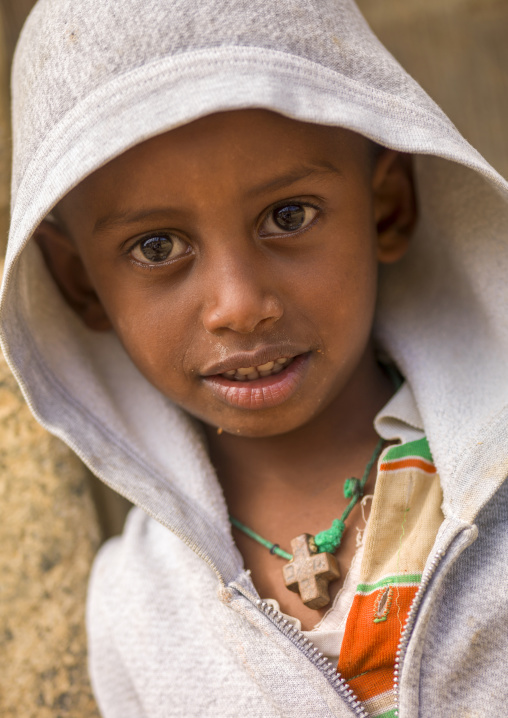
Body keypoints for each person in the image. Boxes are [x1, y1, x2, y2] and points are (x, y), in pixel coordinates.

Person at [2, 0, 508, 716]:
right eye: (156, 247)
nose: (239, 305)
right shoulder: (134, 610)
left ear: (386, 205)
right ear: (80, 280)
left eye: (289, 215)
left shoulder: (492, 474)